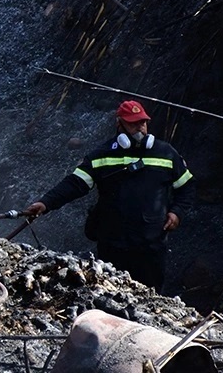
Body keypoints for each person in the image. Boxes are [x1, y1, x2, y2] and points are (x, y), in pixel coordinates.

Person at [20, 100, 195, 291]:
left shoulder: (166, 154)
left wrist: (177, 212)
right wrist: (45, 203)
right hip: (113, 244)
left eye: (142, 122)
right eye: (133, 123)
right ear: (119, 124)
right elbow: (75, 183)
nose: (140, 128)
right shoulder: (102, 155)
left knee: (150, 295)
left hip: (150, 245)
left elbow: (187, 187)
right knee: (112, 294)